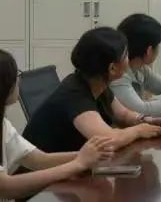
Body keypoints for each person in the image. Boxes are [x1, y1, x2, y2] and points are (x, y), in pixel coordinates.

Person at [22, 27, 161, 154]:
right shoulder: (75, 95)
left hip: (68, 169)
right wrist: (139, 130)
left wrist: (147, 121)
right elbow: (108, 140)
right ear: (112, 68)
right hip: (42, 180)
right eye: (126, 55)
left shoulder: (97, 84)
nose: (129, 59)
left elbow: (123, 115)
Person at [0, 49, 113, 201]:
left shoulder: (4, 124)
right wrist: (77, 164)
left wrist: (90, 155)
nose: (19, 80)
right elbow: (6, 188)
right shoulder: (74, 92)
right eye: (16, 75)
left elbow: (39, 160)